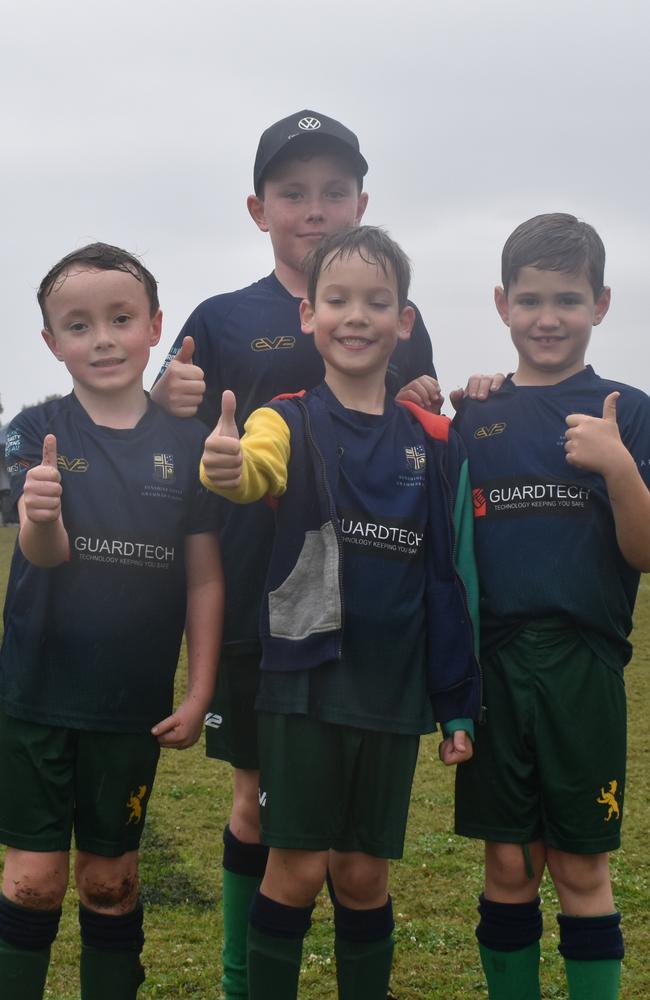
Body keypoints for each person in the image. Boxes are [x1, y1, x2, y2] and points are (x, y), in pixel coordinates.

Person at [151, 108, 441, 1000]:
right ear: (258, 207)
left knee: (352, 851)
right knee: (254, 802)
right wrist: (168, 399)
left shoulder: (398, 312)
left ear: (361, 201)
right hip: (251, 605)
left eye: (332, 191)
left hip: (365, 622)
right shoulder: (221, 316)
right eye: (292, 193)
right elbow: (171, 442)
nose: (313, 209)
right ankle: (244, 979)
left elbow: (412, 439)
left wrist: (436, 392)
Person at [200, 225, 481, 1000]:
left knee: (362, 876)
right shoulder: (285, 419)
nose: (355, 316)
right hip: (304, 685)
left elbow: (445, 579)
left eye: (376, 301)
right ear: (308, 317)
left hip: (389, 690)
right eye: (337, 300)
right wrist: (228, 466)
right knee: (294, 869)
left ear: (404, 321)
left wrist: (457, 702)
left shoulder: (433, 439)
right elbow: (253, 468)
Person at [0, 243, 224, 1000]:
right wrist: (39, 516)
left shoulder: (188, 448)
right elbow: (47, 552)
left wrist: (197, 694)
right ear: (50, 342)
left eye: (120, 318)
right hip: (32, 698)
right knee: (31, 882)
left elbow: (203, 577)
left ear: (154, 325)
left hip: (129, 708)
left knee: (111, 881)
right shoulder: (34, 434)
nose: (101, 338)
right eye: (78, 324)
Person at [453, 213, 650, 1000]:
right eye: (530, 299)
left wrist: (618, 470)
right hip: (497, 667)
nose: (546, 318)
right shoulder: (478, 412)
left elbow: (643, 551)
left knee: (579, 864)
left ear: (601, 303)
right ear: (502, 303)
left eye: (566, 300)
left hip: (584, 666)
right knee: (508, 862)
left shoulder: (625, 410)